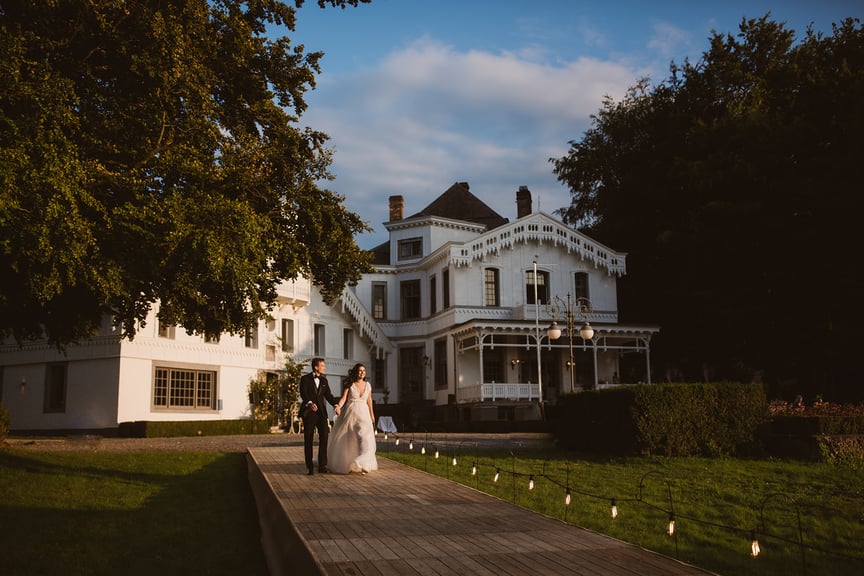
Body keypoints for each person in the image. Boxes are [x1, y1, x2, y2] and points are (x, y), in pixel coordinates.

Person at [327, 363, 378, 475]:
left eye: (364, 371)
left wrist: (372, 414)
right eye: (360, 370)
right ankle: (349, 461)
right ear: (356, 372)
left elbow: (369, 401)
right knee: (349, 438)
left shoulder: (368, 385)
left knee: (364, 437)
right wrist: (338, 406)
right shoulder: (350, 384)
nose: (362, 373)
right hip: (350, 414)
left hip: (364, 414)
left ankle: (362, 463)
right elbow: (344, 398)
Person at [298, 358, 341, 475]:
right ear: (316, 367)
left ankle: (322, 465)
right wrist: (310, 403)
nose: (324, 367)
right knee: (308, 439)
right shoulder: (305, 379)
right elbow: (303, 393)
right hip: (309, 413)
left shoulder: (324, 380)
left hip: (321, 413)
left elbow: (329, 395)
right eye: (322, 365)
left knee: (324, 438)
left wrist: (336, 404)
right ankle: (310, 466)